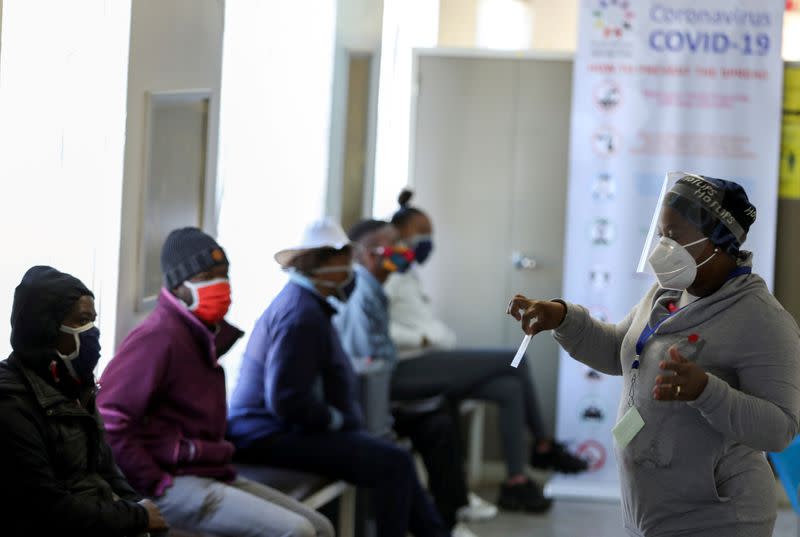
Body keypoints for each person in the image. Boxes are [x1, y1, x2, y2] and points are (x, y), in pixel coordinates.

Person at [508, 174, 800, 537]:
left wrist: (706, 392)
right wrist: (564, 317)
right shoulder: (669, 291)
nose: (663, 247)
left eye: (675, 236)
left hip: (718, 519)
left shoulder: (763, 320)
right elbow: (620, 351)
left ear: (719, 243)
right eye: (662, 233)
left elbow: (780, 431)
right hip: (650, 511)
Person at [98, 227, 333, 537]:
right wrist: (154, 481)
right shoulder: (157, 337)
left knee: (321, 527)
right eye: (205, 276)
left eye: (224, 274)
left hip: (212, 471)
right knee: (298, 532)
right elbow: (111, 419)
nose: (219, 285)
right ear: (179, 285)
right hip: (170, 483)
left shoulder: (203, 336)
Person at [228, 218, 451, 537]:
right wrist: (335, 420)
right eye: (344, 259)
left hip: (281, 430)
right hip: (267, 435)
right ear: (323, 263)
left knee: (394, 459)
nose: (350, 268)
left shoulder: (309, 306)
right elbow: (288, 400)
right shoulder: (300, 316)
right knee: (393, 463)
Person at [386, 190, 586, 512]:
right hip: (406, 368)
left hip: (430, 362)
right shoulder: (387, 273)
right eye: (421, 232)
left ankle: (516, 483)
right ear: (400, 233)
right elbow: (377, 329)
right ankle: (543, 443)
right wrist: (424, 340)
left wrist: (435, 336)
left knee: (507, 389)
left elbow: (422, 323)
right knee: (513, 359)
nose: (427, 240)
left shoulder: (408, 274)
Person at [333, 219, 497, 537]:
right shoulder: (359, 294)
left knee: (440, 416)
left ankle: (449, 517)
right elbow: (365, 361)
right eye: (394, 246)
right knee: (432, 420)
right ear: (368, 254)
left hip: (380, 396)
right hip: (366, 406)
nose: (403, 251)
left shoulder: (376, 289)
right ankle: (443, 521)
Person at [0, 266, 168, 537]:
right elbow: (47, 508)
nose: (92, 332)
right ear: (46, 328)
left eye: (93, 320)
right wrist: (137, 517)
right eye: (81, 321)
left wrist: (138, 507)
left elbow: (107, 470)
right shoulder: (10, 404)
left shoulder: (76, 386)